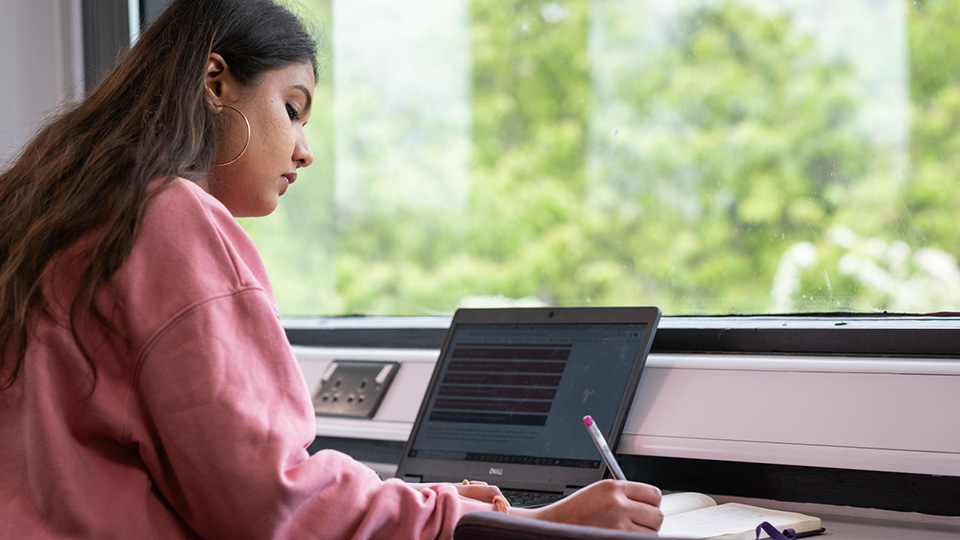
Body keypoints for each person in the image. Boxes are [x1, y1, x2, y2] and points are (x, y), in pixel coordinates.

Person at [0, 0, 664, 538]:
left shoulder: (51, 215)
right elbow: (269, 505)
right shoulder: (169, 219)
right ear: (215, 82)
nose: (305, 150)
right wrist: (502, 522)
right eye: (292, 107)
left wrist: (421, 503)